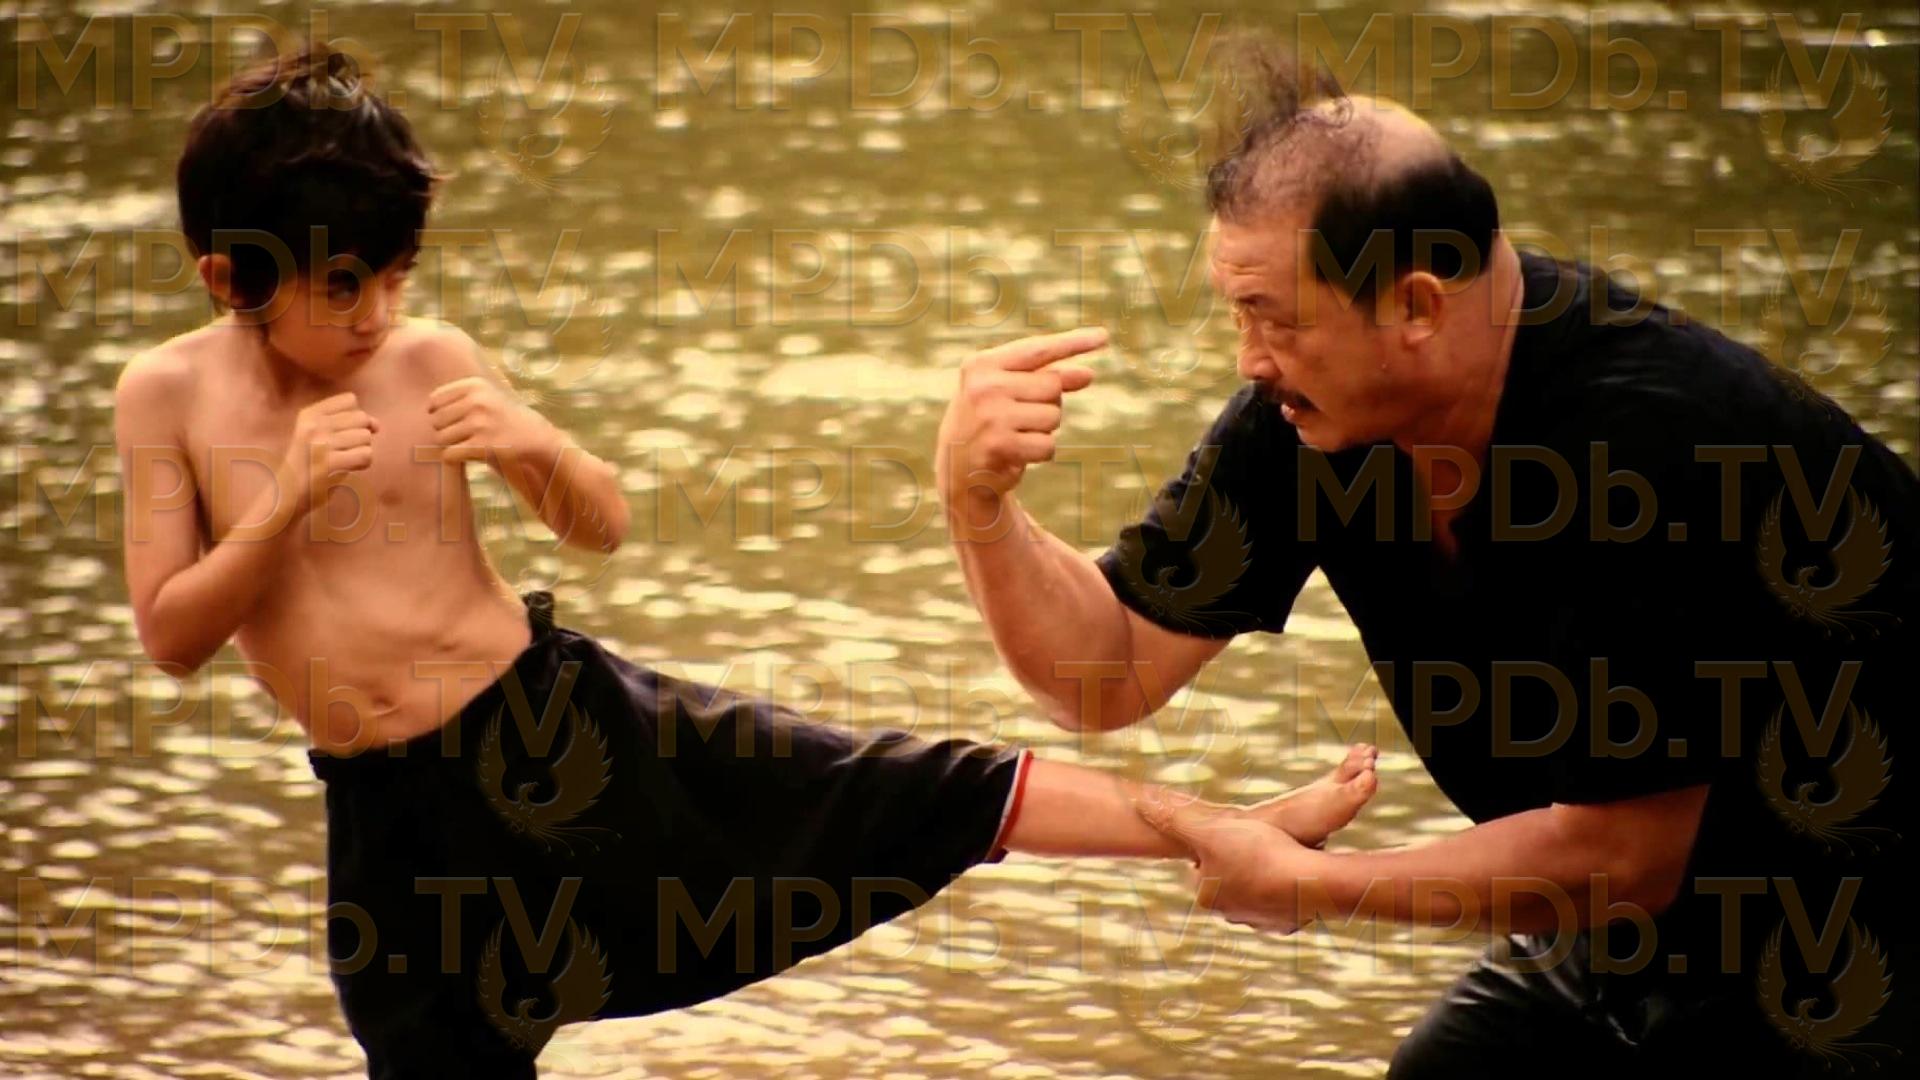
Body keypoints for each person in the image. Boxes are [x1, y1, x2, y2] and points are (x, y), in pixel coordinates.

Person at [113, 46, 1382, 1079]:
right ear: (228, 278)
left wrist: (531, 444)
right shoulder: (165, 400)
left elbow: (600, 523)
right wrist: (281, 505)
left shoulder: (428, 360)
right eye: (343, 290)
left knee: (895, 790)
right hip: (392, 821)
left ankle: (1214, 830)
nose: (377, 315)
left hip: (557, 723)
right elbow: (170, 636)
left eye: (396, 279)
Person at [935, 52, 1915, 1078]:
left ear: (1415, 306)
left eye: (1275, 318)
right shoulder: (1311, 416)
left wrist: (1315, 885)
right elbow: (1106, 668)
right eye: (1238, 314)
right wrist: (978, 506)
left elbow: (1628, 855)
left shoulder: (1647, 442)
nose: (1250, 359)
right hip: (1622, 941)